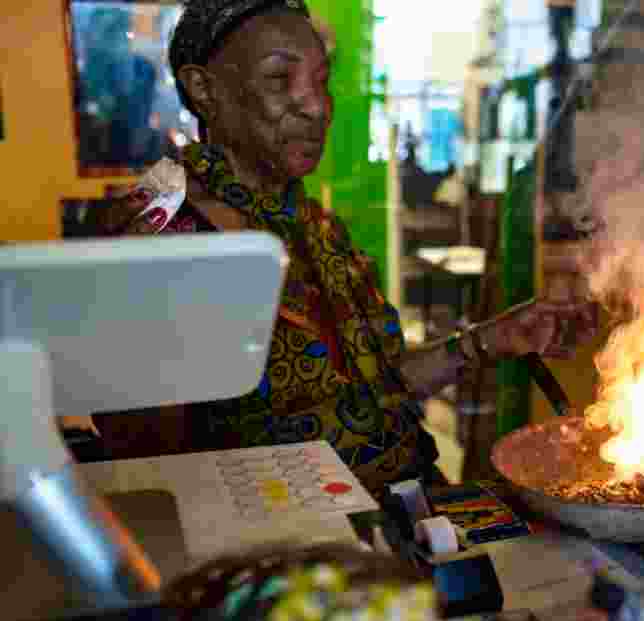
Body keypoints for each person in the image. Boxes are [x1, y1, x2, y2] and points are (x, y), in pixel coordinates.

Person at [86, 0, 596, 495]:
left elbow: (382, 385)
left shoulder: (318, 230)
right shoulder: (160, 234)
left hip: (407, 511)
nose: (317, 107)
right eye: (279, 79)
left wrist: (490, 339)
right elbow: (147, 470)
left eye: (321, 81)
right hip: (288, 545)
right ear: (204, 89)